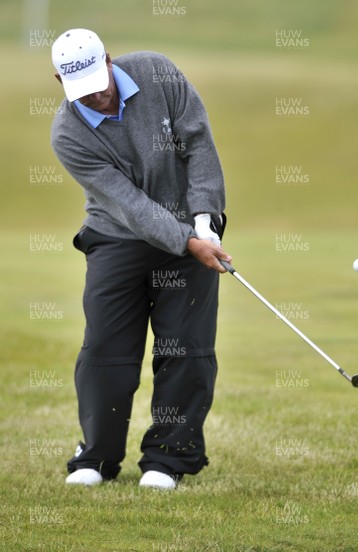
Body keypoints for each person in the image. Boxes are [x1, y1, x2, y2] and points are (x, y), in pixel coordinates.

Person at [50, 28, 232, 489]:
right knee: (106, 348)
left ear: (109, 60)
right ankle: (96, 456)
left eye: (99, 83)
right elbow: (128, 204)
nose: (96, 97)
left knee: (185, 347)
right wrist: (188, 240)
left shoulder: (157, 72)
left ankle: (167, 459)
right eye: (81, 92)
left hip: (193, 230)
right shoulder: (67, 134)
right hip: (117, 238)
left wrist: (206, 223)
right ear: (59, 81)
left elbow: (199, 144)